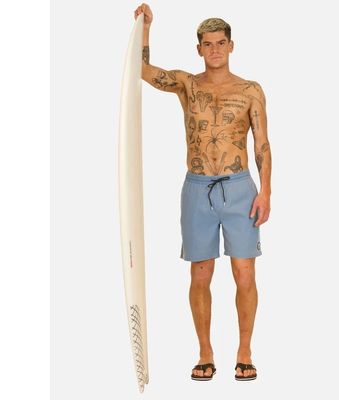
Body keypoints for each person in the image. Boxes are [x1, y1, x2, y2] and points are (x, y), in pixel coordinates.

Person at [134, 3, 272, 382]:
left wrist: (266, 192)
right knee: (200, 275)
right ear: (198, 49)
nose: (214, 49)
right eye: (207, 44)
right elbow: (143, 72)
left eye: (221, 42)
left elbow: (262, 144)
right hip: (197, 188)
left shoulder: (250, 90)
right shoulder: (188, 85)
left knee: (245, 274)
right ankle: (205, 351)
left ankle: (245, 350)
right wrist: (146, 28)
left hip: (239, 188)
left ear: (231, 46)